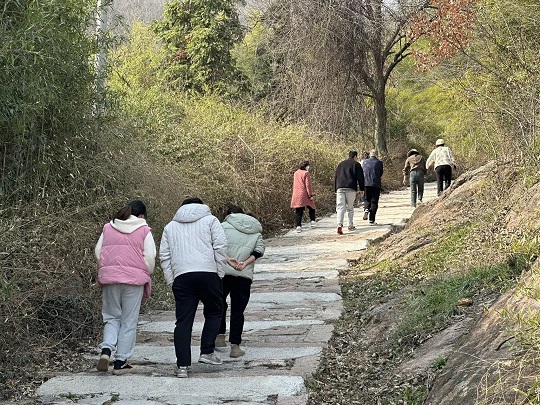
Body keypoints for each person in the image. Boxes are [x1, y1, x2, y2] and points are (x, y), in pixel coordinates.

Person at [160, 197, 236, 378]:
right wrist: (219, 272)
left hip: (182, 277)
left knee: (183, 321)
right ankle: (207, 352)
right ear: (202, 206)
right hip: (208, 273)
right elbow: (220, 246)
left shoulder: (170, 227)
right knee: (215, 311)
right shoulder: (211, 221)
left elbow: (164, 256)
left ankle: (182, 367)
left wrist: (172, 280)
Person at [95, 200, 156, 375]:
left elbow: (98, 251)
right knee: (129, 320)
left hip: (110, 279)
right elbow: (150, 255)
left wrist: (107, 267)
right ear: (142, 215)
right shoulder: (144, 230)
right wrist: (145, 271)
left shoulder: (109, 227)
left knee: (111, 317)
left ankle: (106, 350)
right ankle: (120, 362)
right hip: (134, 281)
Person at [216, 205, 265, 358]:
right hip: (243, 274)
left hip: (223, 272)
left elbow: (217, 247)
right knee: (238, 310)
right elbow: (259, 251)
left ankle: (219, 337)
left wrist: (228, 261)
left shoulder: (222, 226)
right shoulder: (255, 230)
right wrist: (244, 263)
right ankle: (235, 346)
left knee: (219, 304)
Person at [334, 150, 365, 234]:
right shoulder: (356, 164)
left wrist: (335, 189)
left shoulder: (340, 164)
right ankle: (350, 225)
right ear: (355, 156)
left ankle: (339, 224)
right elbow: (360, 178)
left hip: (340, 188)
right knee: (350, 207)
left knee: (340, 207)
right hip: (351, 188)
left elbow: (336, 177)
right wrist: (362, 189)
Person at [290, 160, 316, 233]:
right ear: (306, 166)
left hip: (296, 194)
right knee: (312, 207)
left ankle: (298, 226)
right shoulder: (306, 173)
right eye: (308, 165)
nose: (309, 167)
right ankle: (313, 221)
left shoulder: (296, 173)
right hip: (304, 193)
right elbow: (308, 185)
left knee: (298, 211)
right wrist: (310, 195)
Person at [362, 149, 384, 225]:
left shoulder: (364, 162)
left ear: (370, 154)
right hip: (375, 184)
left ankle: (366, 209)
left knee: (367, 199)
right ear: (376, 155)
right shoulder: (379, 162)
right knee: (374, 201)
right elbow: (380, 173)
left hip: (366, 183)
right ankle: (371, 220)